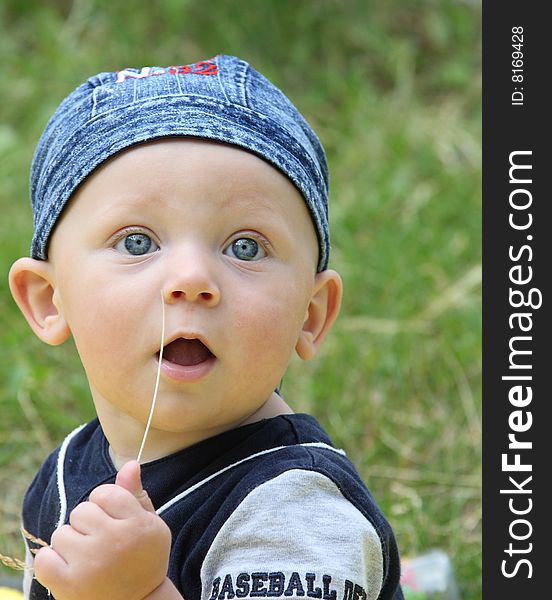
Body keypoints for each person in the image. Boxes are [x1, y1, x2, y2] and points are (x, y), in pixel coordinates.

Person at [8, 55, 404, 600]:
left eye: (245, 247)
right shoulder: (69, 467)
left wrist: (139, 594)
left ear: (310, 315)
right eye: (137, 242)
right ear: (49, 300)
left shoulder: (294, 515)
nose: (192, 280)